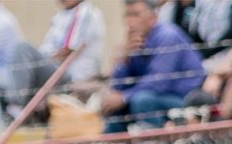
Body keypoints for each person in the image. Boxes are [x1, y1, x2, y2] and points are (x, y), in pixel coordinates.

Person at [102, 0, 206, 132]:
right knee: (113, 108)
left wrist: (124, 97)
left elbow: (158, 83)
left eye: (135, 15)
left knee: (141, 101)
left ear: (153, 18)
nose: (130, 22)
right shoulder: (134, 41)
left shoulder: (168, 36)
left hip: (185, 99)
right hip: (157, 97)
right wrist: (123, 58)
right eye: (127, 15)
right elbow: (118, 86)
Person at [41, 0, 108, 85]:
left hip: (73, 78)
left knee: (25, 51)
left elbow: (66, 52)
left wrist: (41, 63)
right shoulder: (61, 15)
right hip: (56, 72)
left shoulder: (84, 12)